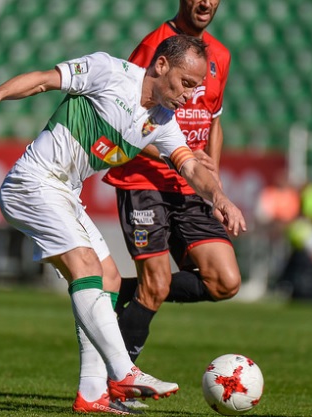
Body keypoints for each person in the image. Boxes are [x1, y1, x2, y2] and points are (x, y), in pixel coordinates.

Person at [0, 34, 246, 415]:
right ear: (160, 66)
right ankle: (123, 372)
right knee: (86, 267)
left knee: (107, 278)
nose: (189, 95)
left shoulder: (162, 121)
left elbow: (189, 165)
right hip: (34, 182)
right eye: (186, 83)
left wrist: (219, 197)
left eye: (195, 88)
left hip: (65, 193)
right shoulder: (109, 71)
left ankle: (91, 394)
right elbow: (43, 79)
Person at [102, 0, 240, 371]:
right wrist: (174, 155)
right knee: (158, 283)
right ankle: (118, 379)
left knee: (225, 281)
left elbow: (213, 121)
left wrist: (214, 180)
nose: (206, 3)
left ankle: (122, 291)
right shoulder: (155, 45)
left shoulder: (220, 56)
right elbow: (124, 113)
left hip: (189, 183)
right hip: (144, 178)